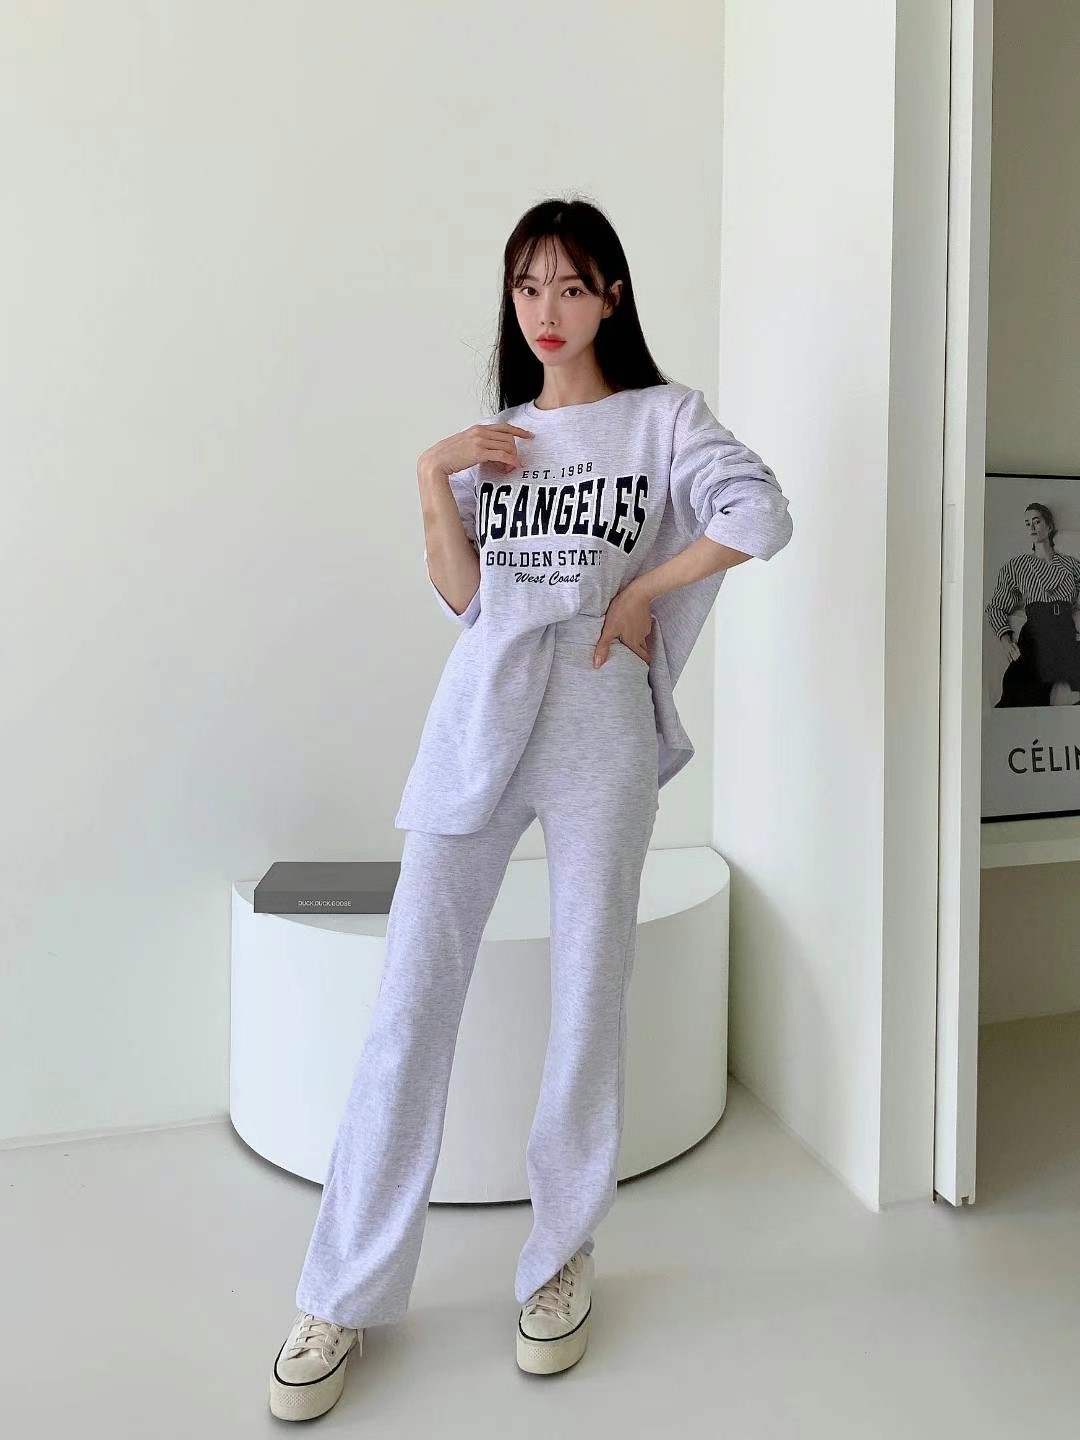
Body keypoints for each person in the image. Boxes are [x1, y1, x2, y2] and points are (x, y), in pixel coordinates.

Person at [268, 197, 794, 1422]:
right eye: (526, 288)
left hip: (599, 719)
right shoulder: (491, 441)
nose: (545, 312)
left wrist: (646, 592)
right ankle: (339, 1293)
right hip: (478, 721)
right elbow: (465, 601)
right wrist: (431, 474)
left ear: (611, 294)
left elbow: (759, 513)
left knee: (586, 992)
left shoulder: (663, 419)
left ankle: (560, 1254)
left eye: (569, 286)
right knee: (411, 1002)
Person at [985, 501, 1080, 707]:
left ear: (1049, 526)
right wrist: (1006, 641)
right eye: (1027, 524)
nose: (1032, 527)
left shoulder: (1071, 564)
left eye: (1037, 521)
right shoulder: (1017, 566)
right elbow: (996, 607)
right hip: (1035, 633)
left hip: (1064, 631)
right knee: (1019, 691)